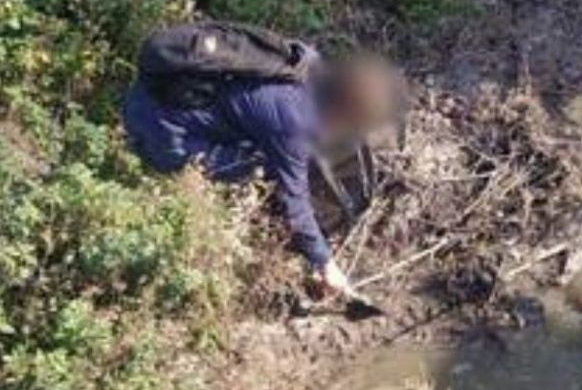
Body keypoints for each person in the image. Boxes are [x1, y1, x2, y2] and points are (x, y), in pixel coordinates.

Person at [123, 54, 406, 295]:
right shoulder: (293, 122)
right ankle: (194, 182)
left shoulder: (307, 64)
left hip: (156, 92)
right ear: (342, 109)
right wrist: (325, 264)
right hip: (160, 129)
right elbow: (296, 203)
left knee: (276, 152)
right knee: (264, 167)